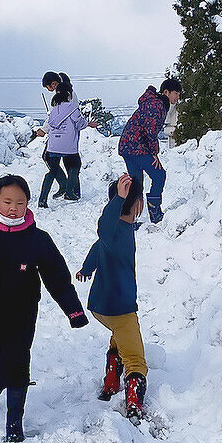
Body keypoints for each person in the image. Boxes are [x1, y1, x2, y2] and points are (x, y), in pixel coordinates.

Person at [0, 174, 89, 442]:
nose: (13, 208)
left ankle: (14, 422)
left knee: (17, 360)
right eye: (7, 202)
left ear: (28, 204)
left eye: (20, 202)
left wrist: (73, 311)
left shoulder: (38, 239)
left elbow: (57, 277)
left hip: (22, 312)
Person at [77, 174, 147, 419]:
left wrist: (87, 269)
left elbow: (98, 246)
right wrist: (119, 198)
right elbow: (103, 228)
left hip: (102, 306)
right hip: (119, 306)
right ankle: (134, 405)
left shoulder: (121, 231)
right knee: (136, 358)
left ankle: (110, 383)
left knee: (120, 338)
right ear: (135, 203)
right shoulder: (115, 230)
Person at [118, 78, 182, 223]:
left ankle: (127, 219)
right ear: (166, 92)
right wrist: (154, 153)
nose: (178, 97)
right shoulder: (157, 104)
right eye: (176, 93)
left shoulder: (153, 102)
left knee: (136, 185)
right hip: (136, 146)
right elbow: (150, 131)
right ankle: (154, 208)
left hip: (127, 145)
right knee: (159, 174)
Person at [38, 73, 97, 206]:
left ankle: (46, 197)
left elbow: (51, 122)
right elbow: (79, 122)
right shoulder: (72, 104)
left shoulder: (55, 106)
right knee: (74, 165)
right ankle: (71, 191)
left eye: (48, 86)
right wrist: (88, 124)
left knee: (53, 166)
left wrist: (44, 130)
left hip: (55, 142)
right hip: (69, 141)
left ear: (54, 84)